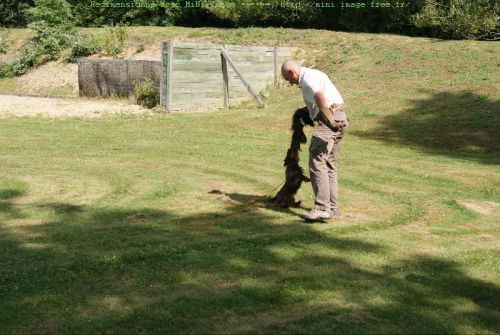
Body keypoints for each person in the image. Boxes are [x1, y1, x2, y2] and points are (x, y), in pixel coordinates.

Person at [281, 60, 349, 222]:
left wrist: (328, 120)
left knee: (317, 161)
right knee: (328, 164)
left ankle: (322, 208)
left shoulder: (307, 79)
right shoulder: (315, 73)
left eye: (287, 79)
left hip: (331, 119)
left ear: (292, 72)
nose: (289, 83)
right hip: (342, 117)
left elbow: (319, 95)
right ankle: (333, 207)